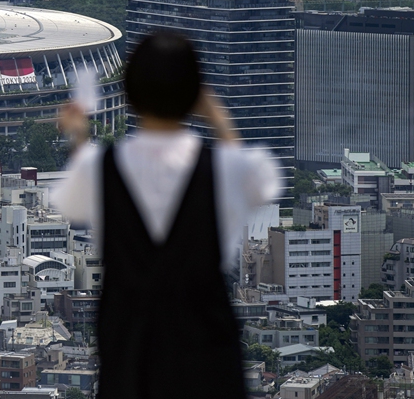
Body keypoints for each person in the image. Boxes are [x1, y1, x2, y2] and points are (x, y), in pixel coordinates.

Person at [53, 31, 281, 399]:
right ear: (194, 94)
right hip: (206, 351)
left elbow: (71, 204)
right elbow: (261, 183)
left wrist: (79, 138)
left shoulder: (99, 169)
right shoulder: (223, 169)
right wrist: (216, 115)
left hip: (129, 353)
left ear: (128, 95)